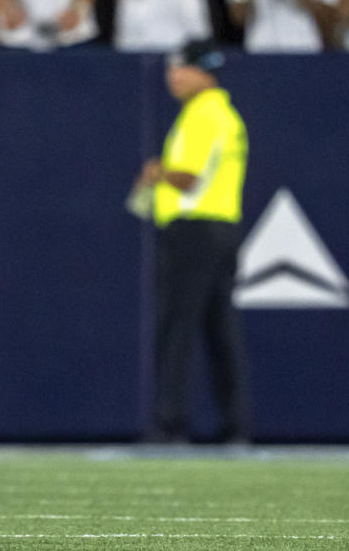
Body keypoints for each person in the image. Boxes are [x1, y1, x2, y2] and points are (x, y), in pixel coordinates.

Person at [129, 38, 250, 443]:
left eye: (180, 68)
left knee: (177, 328)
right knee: (219, 330)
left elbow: (190, 177)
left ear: (204, 72)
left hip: (195, 231)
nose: (172, 77)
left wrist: (157, 173)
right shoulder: (213, 113)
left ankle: (170, 423)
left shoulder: (206, 114)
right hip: (217, 230)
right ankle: (234, 425)